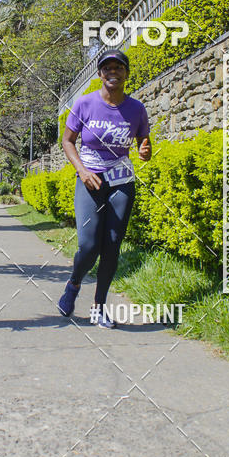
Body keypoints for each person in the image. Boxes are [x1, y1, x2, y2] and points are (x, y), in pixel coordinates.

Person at [58, 49, 151, 328]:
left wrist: (145, 150)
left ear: (126, 73)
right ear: (100, 74)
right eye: (107, 68)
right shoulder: (84, 104)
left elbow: (144, 144)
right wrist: (82, 172)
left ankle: (99, 306)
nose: (113, 72)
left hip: (121, 181)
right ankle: (74, 284)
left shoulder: (136, 108)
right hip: (90, 179)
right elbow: (68, 141)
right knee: (88, 245)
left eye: (118, 68)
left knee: (112, 245)